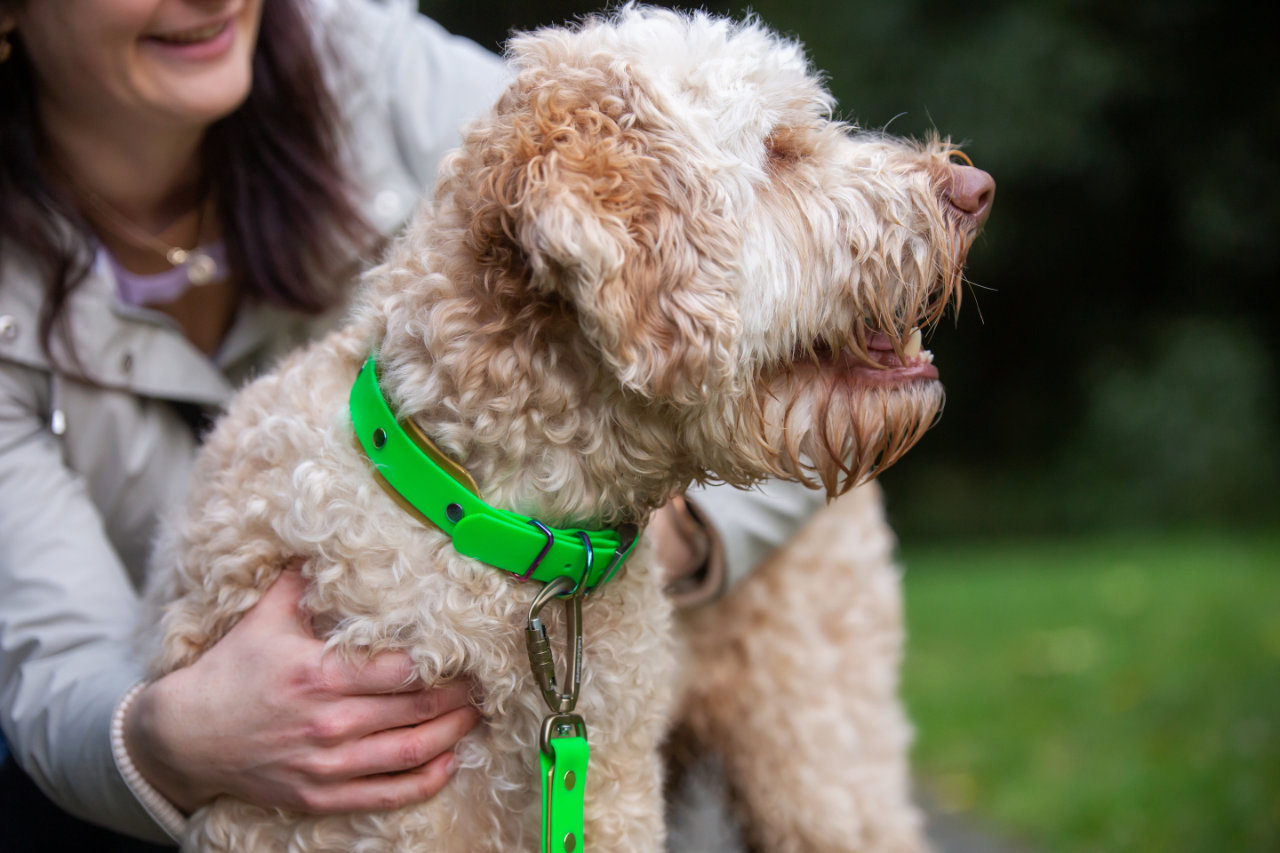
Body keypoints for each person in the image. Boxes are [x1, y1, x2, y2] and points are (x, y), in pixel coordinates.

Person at [0, 0, 824, 847]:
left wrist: (660, 539)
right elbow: (51, 664)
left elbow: (776, 305)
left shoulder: (365, 63)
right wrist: (166, 741)